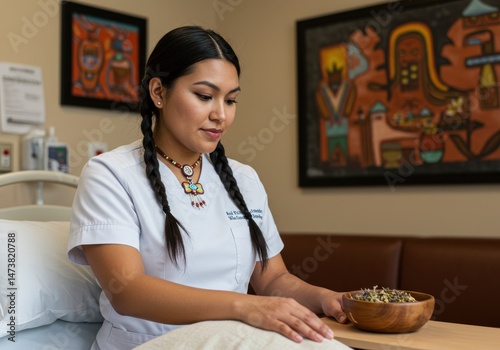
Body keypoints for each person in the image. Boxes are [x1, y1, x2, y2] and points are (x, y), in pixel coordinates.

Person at [67, 26, 347, 350]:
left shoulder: (244, 180)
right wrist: (244, 307)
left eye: (231, 100)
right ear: (158, 92)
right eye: (204, 96)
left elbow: (273, 280)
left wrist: (329, 299)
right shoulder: (111, 175)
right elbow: (126, 290)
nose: (221, 115)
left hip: (230, 340)